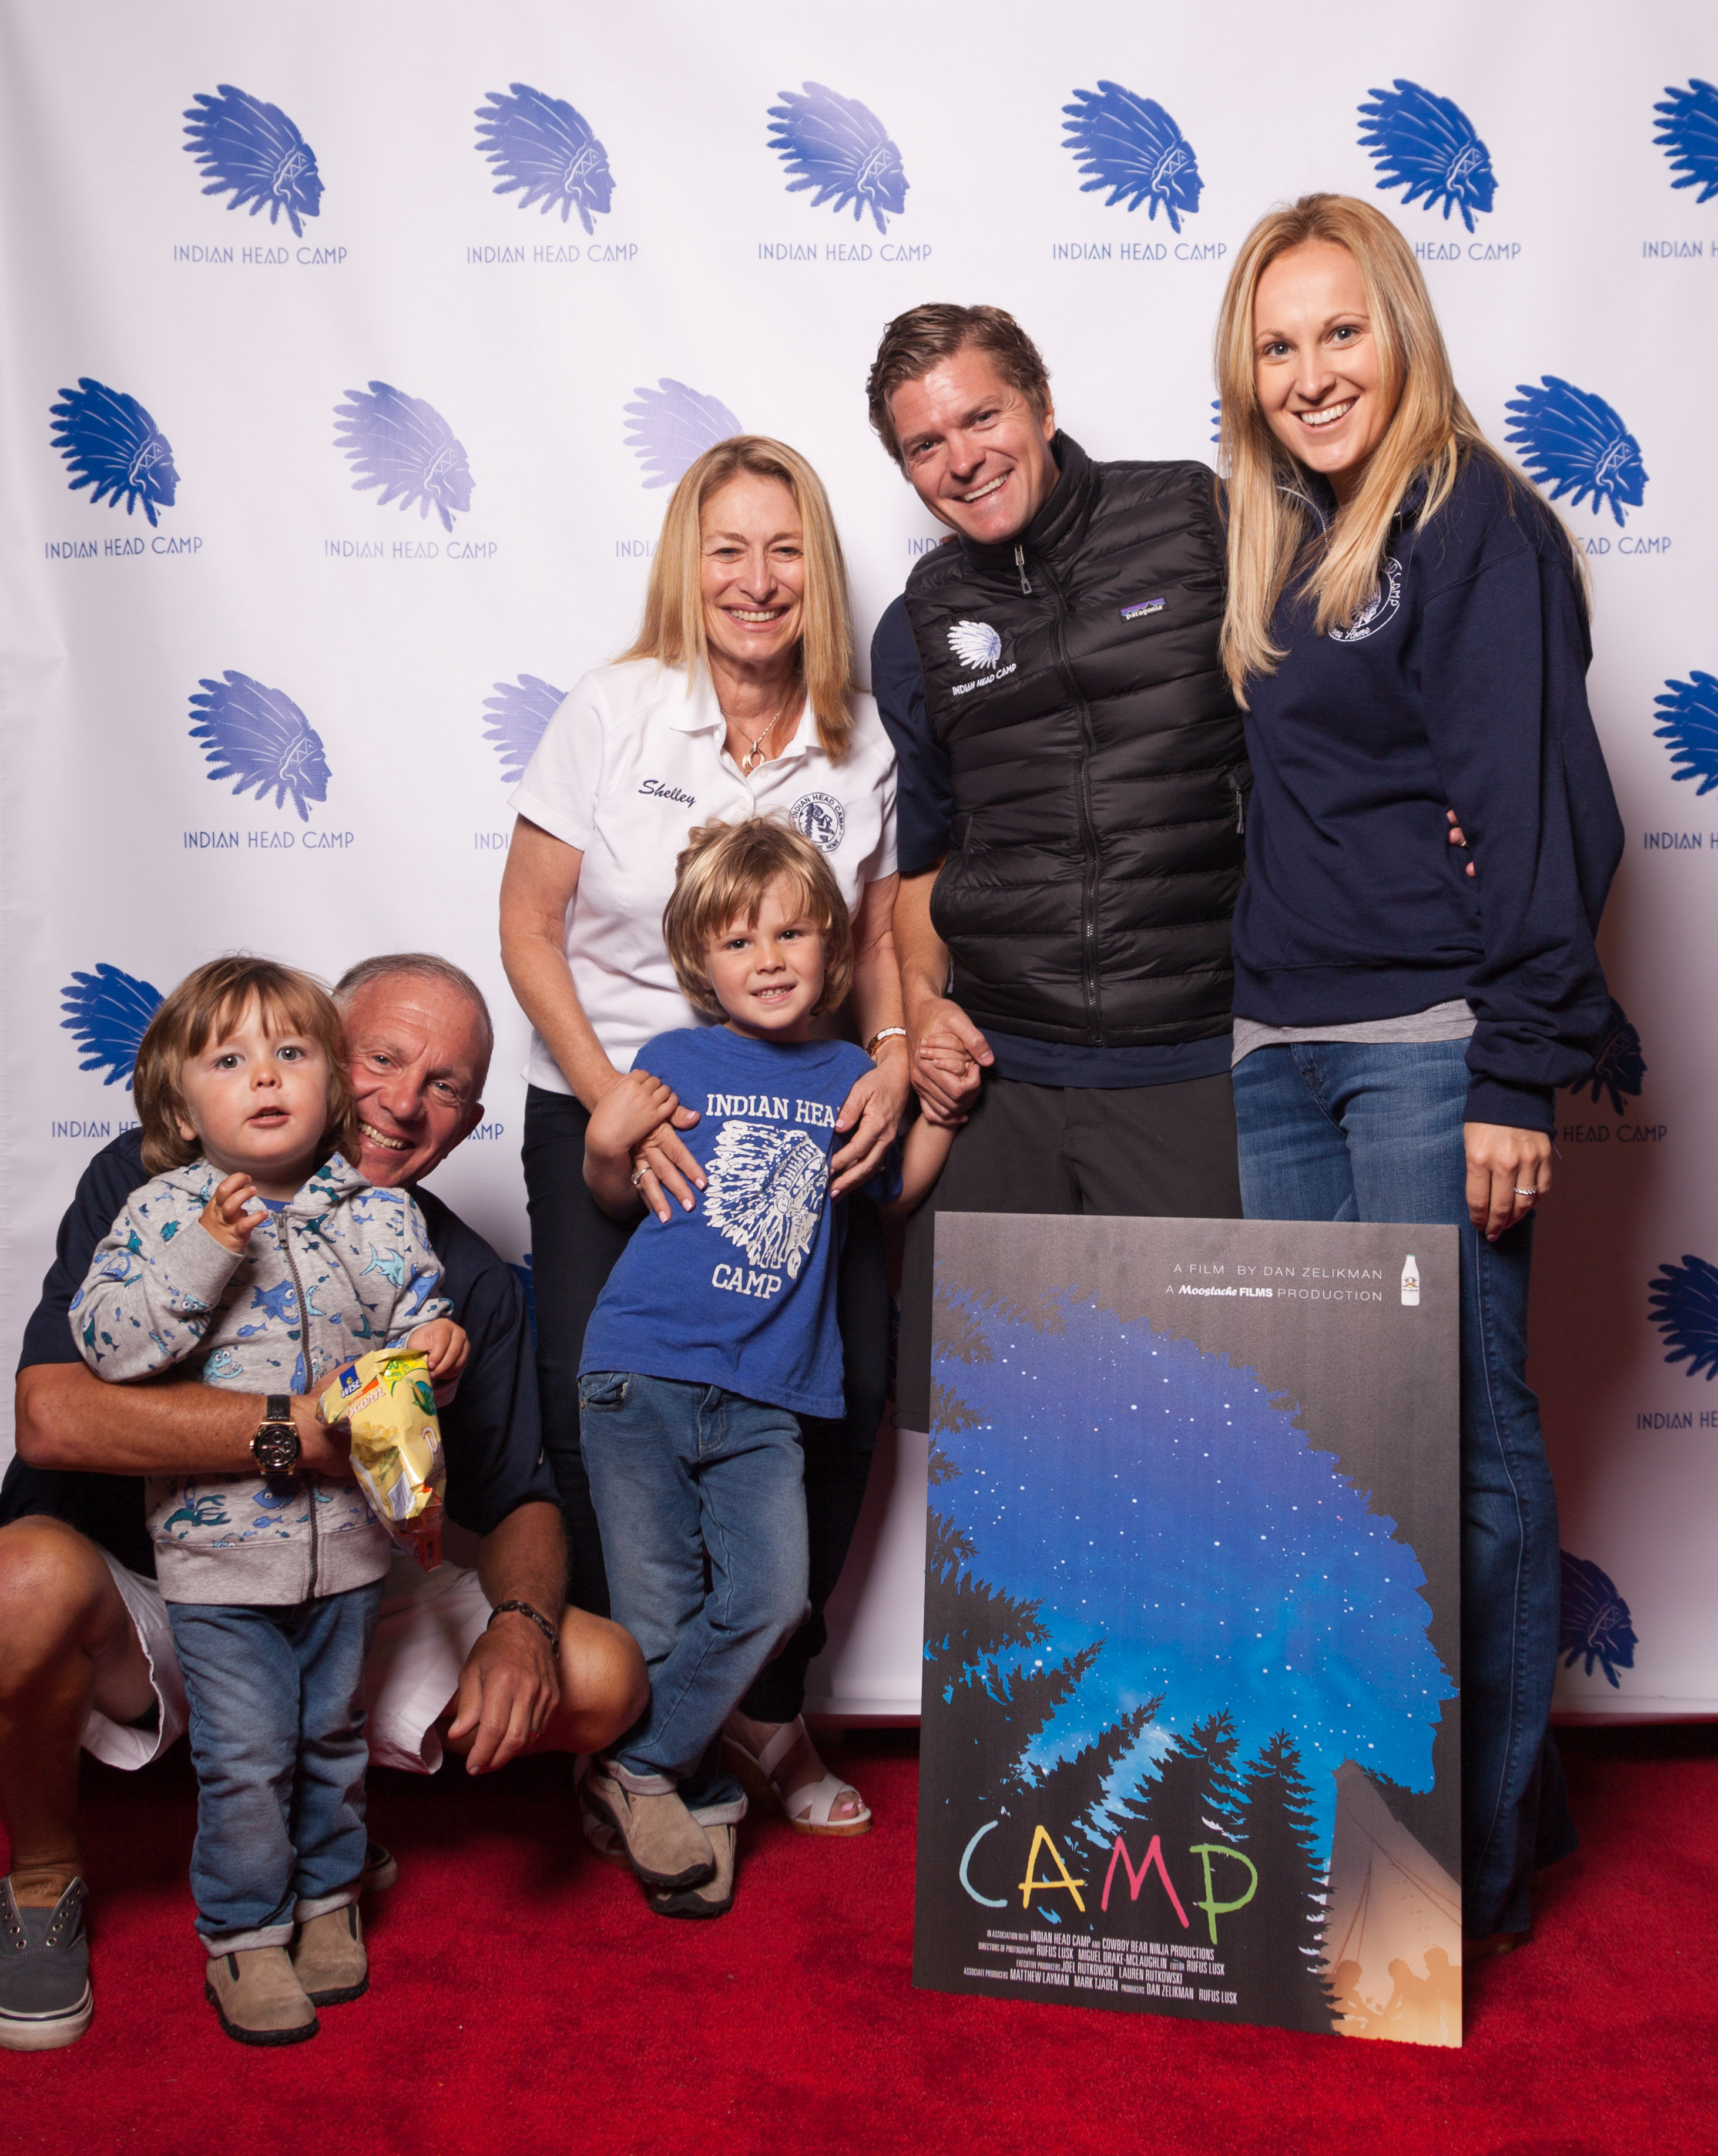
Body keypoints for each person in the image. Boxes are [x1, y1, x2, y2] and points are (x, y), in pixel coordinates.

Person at [1211, 194, 1623, 1947]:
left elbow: (1543, 814)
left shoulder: (1474, 526)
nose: (1310, 373)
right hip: (1274, 1048)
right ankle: (1381, 1813)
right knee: (1335, 1458)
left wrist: (1521, 1070)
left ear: (1400, 331)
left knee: (1461, 1445)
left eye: (1338, 331)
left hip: (1427, 1053)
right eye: (1277, 341)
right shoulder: (1281, 535)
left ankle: (1483, 1849)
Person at [0, 953, 646, 2053]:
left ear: (471, 1117)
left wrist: (524, 1627)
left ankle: (317, 1856)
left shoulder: (447, 1261)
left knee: (602, 1672)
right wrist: (300, 1431)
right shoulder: (159, 1185)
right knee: (18, 1581)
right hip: (160, 1583)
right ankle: (45, 1877)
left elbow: (521, 1492)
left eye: (445, 1084)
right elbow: (55, 1416)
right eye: (381, 1058)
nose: (405, 1100)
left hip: (338, 1567)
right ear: (323, 1055)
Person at [501, 435, 904, 1835]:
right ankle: (634, 1736)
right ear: (689, 563)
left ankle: (766, 1715)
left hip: (800, 1101)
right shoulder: (613, 708)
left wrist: (900, 1062)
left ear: (818, 569)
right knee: (594, 1404)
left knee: (836, 1402)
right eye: (726, 547)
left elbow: (894, 932)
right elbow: (528, 924)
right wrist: (608, 1088)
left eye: (784, 547)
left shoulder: (859, 735)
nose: (755, 577)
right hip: (611, 1098)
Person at [68, 956, 468, 2044]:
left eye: (292, 1051)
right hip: (217, 1557)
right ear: (179, 1100)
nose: (266, 1075)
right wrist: (206, 1251)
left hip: (350, 1546)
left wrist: (435, 1338)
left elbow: (412, 1328)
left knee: (332, 1736)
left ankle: (329, 1899)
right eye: (231, 1058)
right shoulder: (160, 1212)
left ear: (328, 1084)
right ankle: (243, 1934)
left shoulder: (374, 1208)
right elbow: (107, 1347)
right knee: (247, 1755)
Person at [865, 304, 1250, 1429]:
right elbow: (924, 865)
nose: (962, 459)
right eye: (924, 445)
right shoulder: (919, 625)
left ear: (1038, 402)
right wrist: (923, 1011)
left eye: (980, 417)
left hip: (1197, 1065)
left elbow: (1327, 717)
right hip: (1005, 1084)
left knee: (1211, 1435)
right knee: (996, 1452)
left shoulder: (1197, 517)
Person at [575, 819, 942, 1916]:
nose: (770, 957)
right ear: (699, 963)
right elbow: (614, 1197)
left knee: (773, 1596)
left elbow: (893, 1194)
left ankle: (636, 1772)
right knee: (658, 1618)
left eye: (792, 933)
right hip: (641, 1371)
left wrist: (943, 1110)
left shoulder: (850, 1076)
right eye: (740, 941)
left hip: (772, 1395)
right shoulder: (672, 1060)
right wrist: (607, 1137)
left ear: (833, 947)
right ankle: (686, 1804)